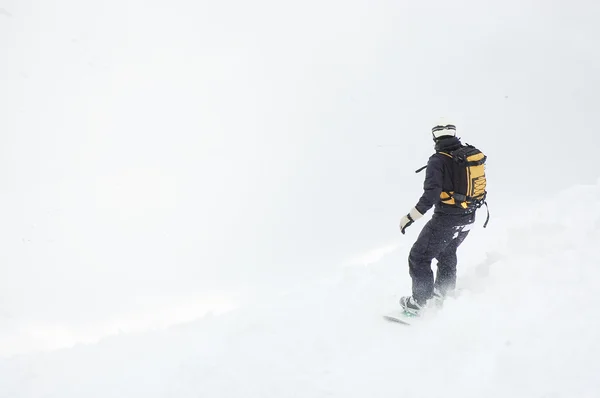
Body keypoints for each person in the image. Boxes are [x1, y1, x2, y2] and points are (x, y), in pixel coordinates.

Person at [398, 121, 487, 315]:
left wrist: (410, 217)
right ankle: (444, 294)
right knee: (447, 253)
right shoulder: (466, 156)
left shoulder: (438, 161)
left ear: (435, 139)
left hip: (447, 219)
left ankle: (420, 303)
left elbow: (431, 195)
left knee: (419, 257)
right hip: (468, 217)